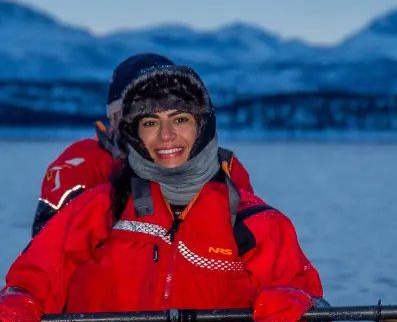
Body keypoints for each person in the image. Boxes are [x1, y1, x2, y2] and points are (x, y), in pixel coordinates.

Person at [0, 63, 329, 322]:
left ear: (203, 126)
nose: (166, 136)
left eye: (180, 120)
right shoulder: (97, 208)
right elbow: (36, 275)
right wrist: (22, 298)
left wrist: (299, 317)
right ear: (136, 134)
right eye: (150, 123)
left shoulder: (257, 222)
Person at [33, 53, 253, 235]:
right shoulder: (82, 164)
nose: (162, 132)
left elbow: (256, 249)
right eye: (139, 115)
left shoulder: (223, 167)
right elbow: (46, 255)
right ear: (114, 118)